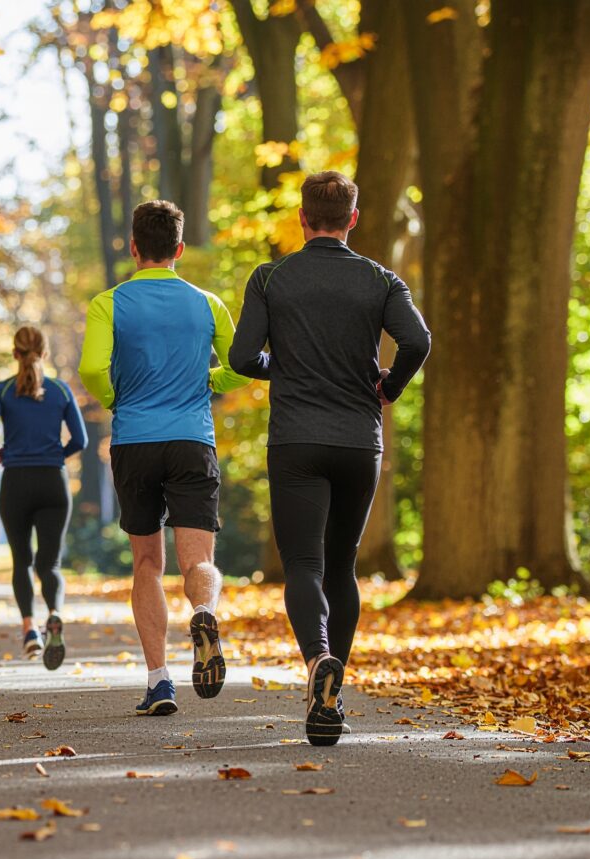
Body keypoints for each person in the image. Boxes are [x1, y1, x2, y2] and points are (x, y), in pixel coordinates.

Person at [229, 170, 431, 746]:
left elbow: (242, 358)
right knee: (342, 567)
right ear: (353, 219)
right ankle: (332, 698)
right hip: (358, 440)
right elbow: (417, 342)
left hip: (295, 440)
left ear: (302, 217)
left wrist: (283, 367)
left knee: (303, 566)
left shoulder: (271, 277)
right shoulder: (380, 279)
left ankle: (319, 661)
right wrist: (389, 387)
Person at [79, 200, 253, 716]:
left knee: (147, 564)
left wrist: (116, 398)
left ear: (134, 248)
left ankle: (159, 682)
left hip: (134, 441)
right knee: (198, 560)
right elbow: (241, 365)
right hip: (192, 440)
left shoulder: (108, 303)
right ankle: (203, 610)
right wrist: (209, 381)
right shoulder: (207, 303)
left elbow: (91, 369)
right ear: (179, 249)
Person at [0, 325, 87, 668]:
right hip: (53, 481)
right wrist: (57, 456)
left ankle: (29, 629)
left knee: (22, 560)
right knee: (49, 563)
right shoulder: (61, 390)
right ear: (45, 353)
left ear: (15, 353)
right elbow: (81, 440)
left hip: (16, 481)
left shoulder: (0, 391)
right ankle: (54, 613)